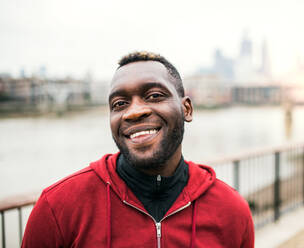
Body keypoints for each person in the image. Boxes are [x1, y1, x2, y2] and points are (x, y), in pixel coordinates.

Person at [22, 51, 254, 248]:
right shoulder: (58, 208)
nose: (134, 112)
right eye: (120, 104)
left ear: (187, 109)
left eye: (154, 96)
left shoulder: (231, 210)